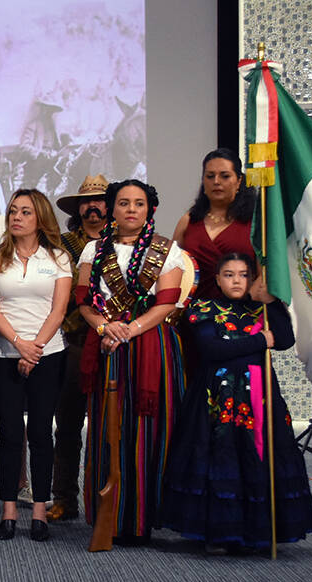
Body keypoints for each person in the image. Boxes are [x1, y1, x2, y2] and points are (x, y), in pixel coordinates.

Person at [162, 253, 312, 553]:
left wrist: (270, 303)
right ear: (218, 279)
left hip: (260, 396)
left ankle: (256, 530)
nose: (236, 280)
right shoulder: (203, 308)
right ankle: (216, 529)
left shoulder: (262, 309)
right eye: (229, 274)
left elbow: (284, 340)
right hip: (216, 398)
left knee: (258, 456)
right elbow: (212, 348)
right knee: (219, 455)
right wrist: (261, 340)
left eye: (244, 274)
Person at [76, 179, 185, 545]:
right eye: (123, 203)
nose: (131, 209)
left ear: (149, 209)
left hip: (151, 346)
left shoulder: (166, 251)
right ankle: (108, 517)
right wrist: (107, 326)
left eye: (139, 203)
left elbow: (167, 302)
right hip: (108, 344)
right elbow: (84, 303)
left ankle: (142, 519)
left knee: (149, 430)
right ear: (112, 209)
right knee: (108, 432)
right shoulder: (94, 249)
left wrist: (130, 328)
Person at [0, 190, 72, 542]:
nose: (17, 217)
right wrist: (19, 345)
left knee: (40, 432)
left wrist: (34, 349)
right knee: (7, 434)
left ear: (40, 219)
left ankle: (39, 509)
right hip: (4, 353)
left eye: (25, 212)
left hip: (48, 354)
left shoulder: (59, 258)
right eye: (13, 211)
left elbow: (59, 310)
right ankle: (7, 509)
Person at [48, 174, 109, 522]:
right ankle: (64, 499)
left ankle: (111, 499)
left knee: (112, 425)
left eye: (100, 200)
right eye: (86, 202)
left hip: (116, 342)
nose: (93, 207)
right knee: (68, 424)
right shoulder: (62, 246)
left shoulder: (126, 246)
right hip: (73, 342)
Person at [172, 148, 256, 302]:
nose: (216, 181)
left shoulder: (255, 221)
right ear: (203, 181)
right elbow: (173, 271)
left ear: (239, 181)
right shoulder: (188, 221)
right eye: (210, 176)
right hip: (195, 315)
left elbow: (266, 275)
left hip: (245, 315)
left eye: (225, 176)